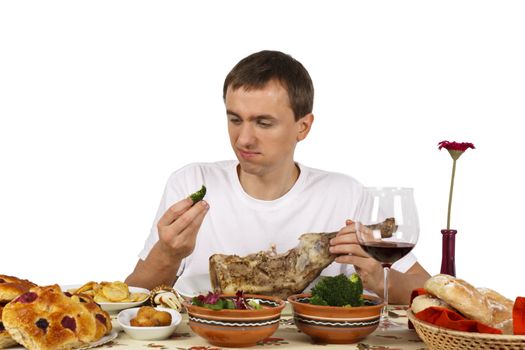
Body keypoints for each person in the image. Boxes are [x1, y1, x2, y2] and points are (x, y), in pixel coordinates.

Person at [125, 50, 430, 304]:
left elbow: (426, 291)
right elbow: (132, 294)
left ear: (303, 127)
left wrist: (379, 278)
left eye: (263, 123)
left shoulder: (344, 194)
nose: (243, 138)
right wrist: (167, 254)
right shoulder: (193, 183)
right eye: (235, 119)